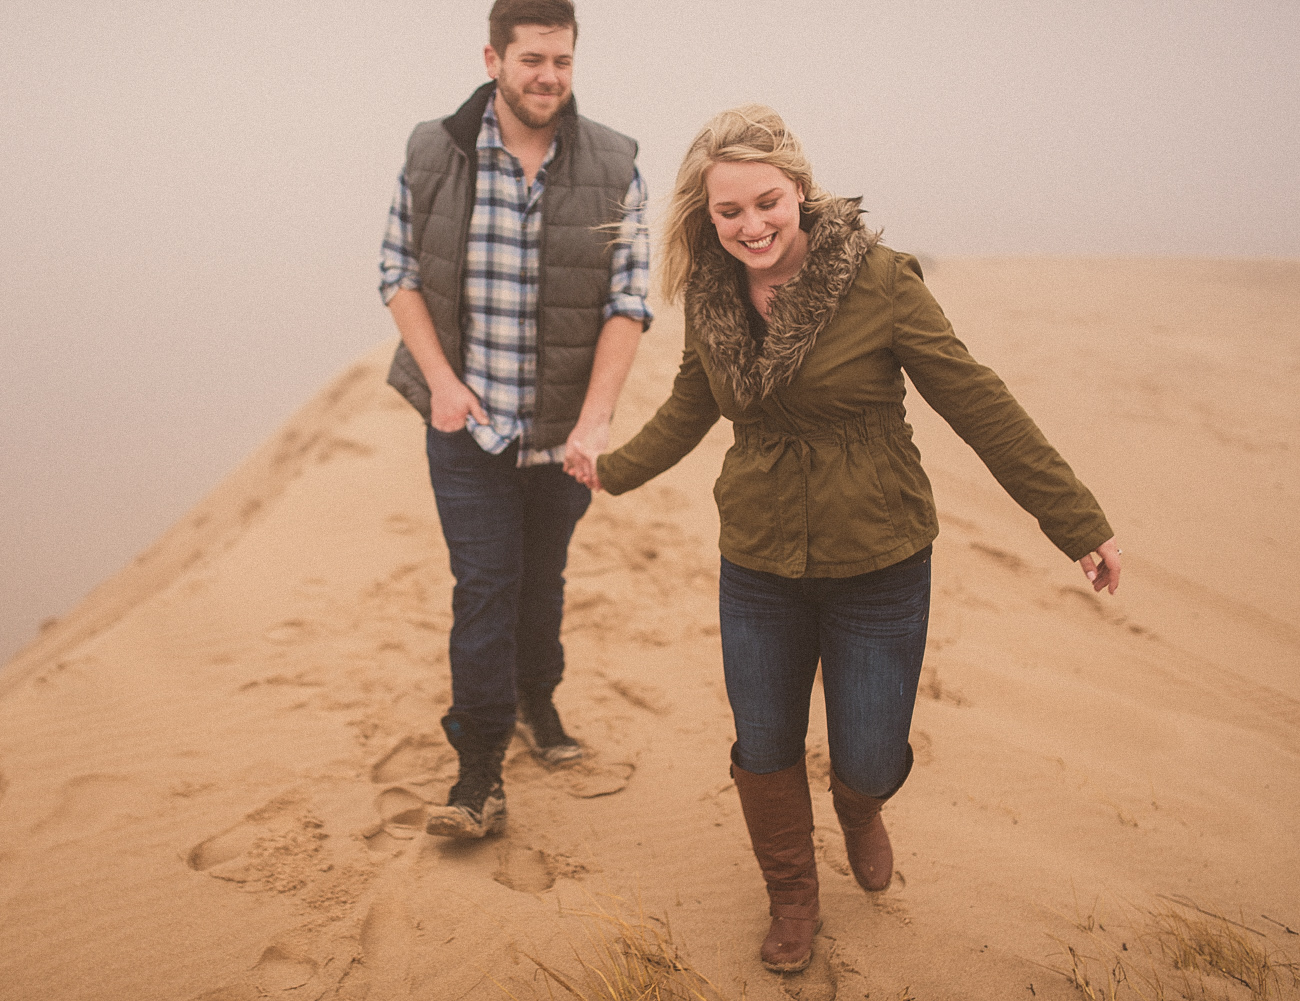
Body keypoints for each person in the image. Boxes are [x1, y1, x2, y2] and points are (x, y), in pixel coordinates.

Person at [565, 105, 1121, 972]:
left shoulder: (881, 282)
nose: (751, 226)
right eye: (729, 212)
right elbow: (689, 405)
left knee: (866, 752)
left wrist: (1076, 521)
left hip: (879, 561)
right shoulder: (712, 297)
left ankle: (860, 808)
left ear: (800, 191)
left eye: (767, 203)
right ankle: (793, 895)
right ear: (705, 216)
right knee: (764, 743)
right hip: (757, 560)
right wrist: (613, 468)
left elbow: (979, 403)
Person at [379, 0, 651, 840]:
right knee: (486, 587)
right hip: (466, 428)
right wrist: (442, 383)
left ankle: (540, 699)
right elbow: (398, 273)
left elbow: (629, 299)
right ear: (493, 58)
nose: (550, 78)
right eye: (533, 60)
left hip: (563, 434)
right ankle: (478, 771)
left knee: (544, 580)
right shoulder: (436, 149)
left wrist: (596, 419)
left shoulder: (616, 163)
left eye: (563, 61)